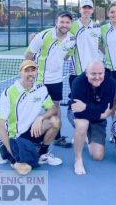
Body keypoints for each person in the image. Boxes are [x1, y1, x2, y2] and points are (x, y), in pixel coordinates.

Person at [0, 60, 62, 175]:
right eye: (26, 70)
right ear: (20, 73)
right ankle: (6, 152)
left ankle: (43, 153)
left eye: (33, 70)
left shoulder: (41, 89)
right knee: (25, 170)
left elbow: (53, 109)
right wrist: (10, 151)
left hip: (31, 130)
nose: (31, 73)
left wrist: (40, 118)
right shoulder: (9, 93)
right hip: (14, 135)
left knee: (55, 121)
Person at [25, 10, 75, 148]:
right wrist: (31, 76)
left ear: (71, 24)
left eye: (67, 22)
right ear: (56, 22)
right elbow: (28, 54)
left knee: (56, 107)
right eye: (62, 21)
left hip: (57, 80)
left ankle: (57, 137)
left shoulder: (71, 39)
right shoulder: (44, 35)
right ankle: (28, 137)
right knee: (33, 108)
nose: (64, 24)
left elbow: (66, 57)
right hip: (39, 80)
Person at [69, 60, 115, 175]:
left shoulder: (110, 83)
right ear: (86, 73)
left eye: (100, 73)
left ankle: (85, 136)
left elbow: (105, 108)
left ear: (104, 72)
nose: (97, 77)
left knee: (98, 156)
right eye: (93, 74)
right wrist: (100, 114)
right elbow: (79, 113)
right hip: (77, 114)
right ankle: (78, 160)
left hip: (97, 120)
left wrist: (85, 106)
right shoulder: (77, 83)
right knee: (82, 124)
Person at [69, 0, 101, 89]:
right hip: (77, 70)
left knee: (91, 98)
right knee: (76, 99)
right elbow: (59, 33)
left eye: (89, 8)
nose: (86, 10)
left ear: (92, 10)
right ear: (80, 9)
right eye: (84, 7)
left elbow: (99, 44)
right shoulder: (72, 25)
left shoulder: (97, 26)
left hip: (93, 70)